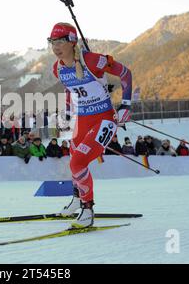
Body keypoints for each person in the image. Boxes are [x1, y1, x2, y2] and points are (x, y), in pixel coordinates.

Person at [48, 22, 132, 228]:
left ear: (72, 41)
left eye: (60, 41)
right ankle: (77, 198)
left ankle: (88, 208)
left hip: (104, 119)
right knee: (73, 158)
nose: (55, 46)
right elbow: (70, 88)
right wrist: (67, 112)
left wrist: (126, 104)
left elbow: (125, 73)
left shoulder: (93, 60)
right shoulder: (57, 68)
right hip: (83, 119)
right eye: (52, 42)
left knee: (78, 163)